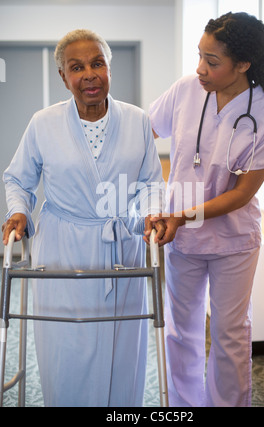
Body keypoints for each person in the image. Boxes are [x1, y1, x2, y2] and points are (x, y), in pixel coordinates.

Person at [2, 29, 165, 407]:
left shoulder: (138, 120)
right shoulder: (43, 123)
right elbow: (18, 178)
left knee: (121, 345)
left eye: (97, 63)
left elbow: (150, 183)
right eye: (77, 67)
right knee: (66, 347)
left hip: (121, 247)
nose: (89, 74)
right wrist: (18, 211)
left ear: (109, 68)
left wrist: (152, 213)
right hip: (63, 248)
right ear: (63, 76)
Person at [148, 12, 264, 407]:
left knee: (228, 334)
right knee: (181, 331)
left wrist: (181, 215)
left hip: (234, 241)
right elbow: (145, 132)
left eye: (213, 61)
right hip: (183, 239)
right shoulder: (186, 90)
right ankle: (184, 408)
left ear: (243, 64)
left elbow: (241, 193)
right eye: (200, 56)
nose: (200, 68)